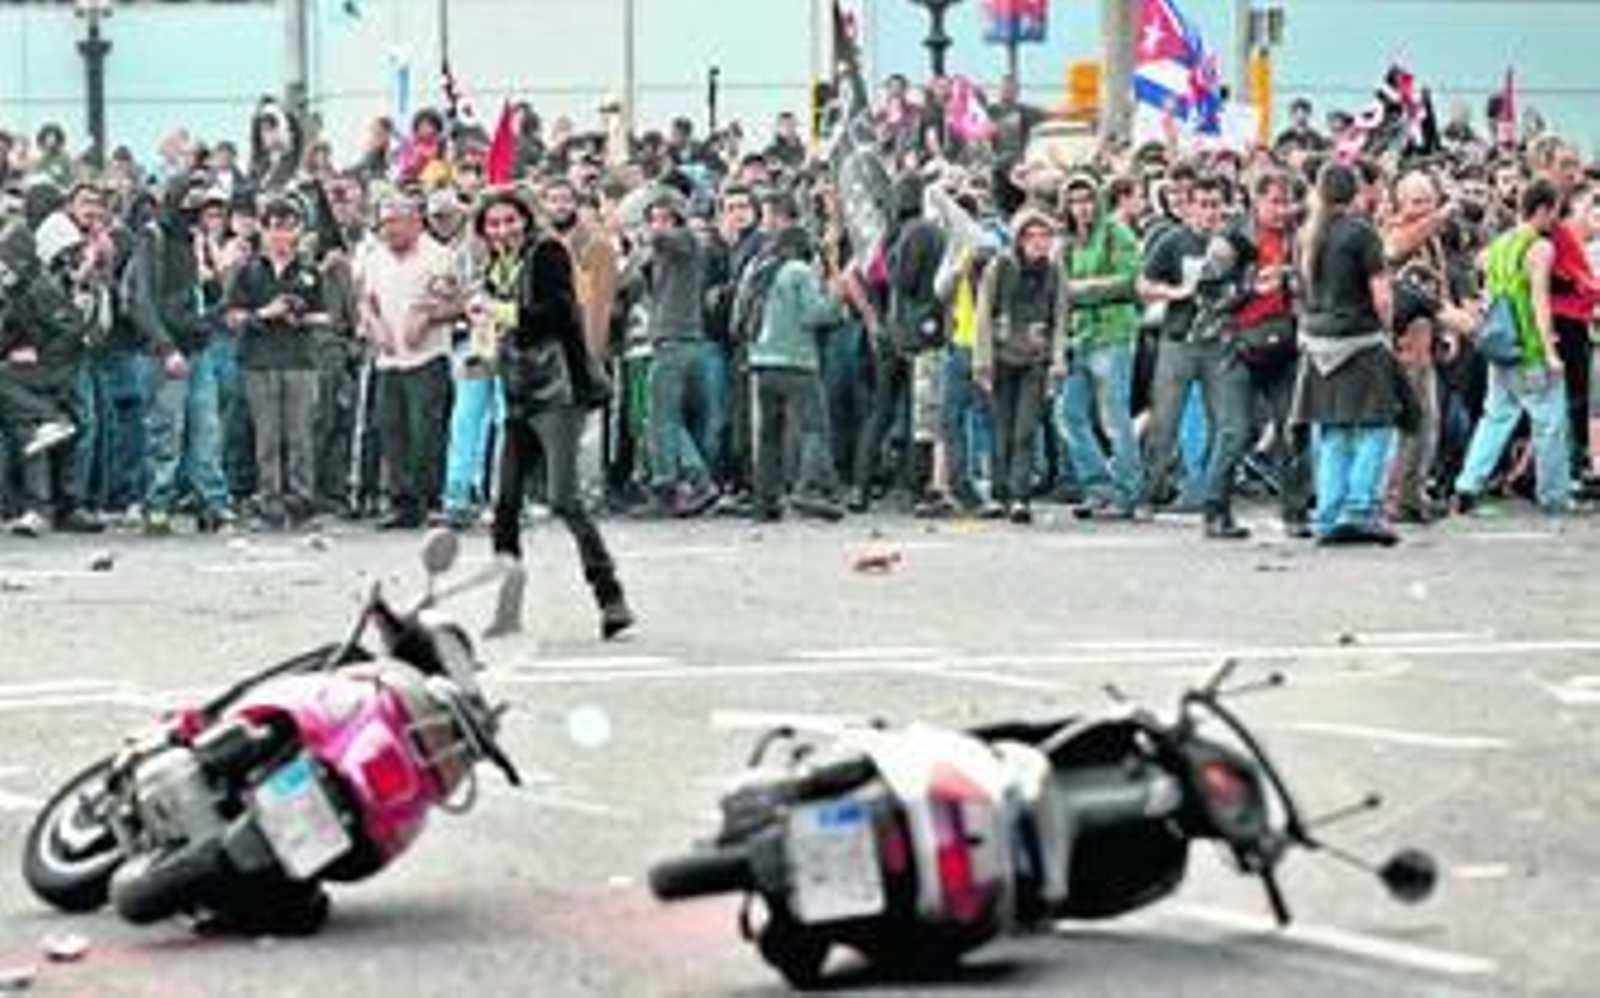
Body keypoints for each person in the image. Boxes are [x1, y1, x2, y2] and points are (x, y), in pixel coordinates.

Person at [475, 187, 635, 642]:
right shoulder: (494, 266)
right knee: (504, 503)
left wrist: (502, 312)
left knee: (564, 497)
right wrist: (484, 328)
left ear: (525, 219)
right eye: (493, 223)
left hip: (558, 389)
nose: (503, 229)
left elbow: (560, 313)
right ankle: (507, 608)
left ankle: (610, 596)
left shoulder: (546, 253)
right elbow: (501, 327)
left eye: (509, 221)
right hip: (519, 393)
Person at [1293, 161, 1404, 546]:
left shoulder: (1306, 234)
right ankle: (1358, 510)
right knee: (1377, 424)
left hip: (1317, 342)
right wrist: (1388, 330)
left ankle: (1327, 517)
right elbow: (1382, 296)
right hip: (1360, 341)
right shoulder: (1361, 232)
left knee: (1333, 429)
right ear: (1356, 191)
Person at [1453, 178, 1575, 514]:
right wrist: (1550, 351)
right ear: (1542, 209)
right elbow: (1539, 301)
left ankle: (1467, 484)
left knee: (1496, 417)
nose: (1556, 220)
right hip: (1529, 348)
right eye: (1554, 213)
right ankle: (1554, 497)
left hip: (1500, 347)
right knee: (1550, 422)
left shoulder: (1497, 245)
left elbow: (1480, 275)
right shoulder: (1539, 248)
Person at [354, 193, 459, 529]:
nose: (388, 231)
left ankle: (429, 500)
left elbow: (458, 304)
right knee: (391, 430)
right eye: (384, 224)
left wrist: (428, 317)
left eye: (395, 223)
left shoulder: (439, 256)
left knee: (425, 431)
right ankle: (401, 503)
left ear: (415, 222)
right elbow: (365, 301)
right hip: (388, 359)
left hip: (428, 357)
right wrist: (374, 325)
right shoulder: (374, 257)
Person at [225, 196, 327, 529]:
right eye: (275, 228)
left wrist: (302, 317)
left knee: (300, 436)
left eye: (288, 228)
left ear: (298, 232)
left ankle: (301, 502)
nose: (282, 236)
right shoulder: (248, 270)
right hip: (259, 361)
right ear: (264, 232)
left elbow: (327, 316)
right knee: (266, 437)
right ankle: (269, 502)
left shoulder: (310, 271)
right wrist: (263, 314)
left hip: (300, 360)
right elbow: (231, 316)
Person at [974, 208, 1068, 524]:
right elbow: (983, 314)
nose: (1039, 242)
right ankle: (1001, 492)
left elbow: (1060, 318)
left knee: (1025, 430)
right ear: (1019, 238)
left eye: (1045, 236)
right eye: (1032, 235)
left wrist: (1058, 360)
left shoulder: (1055, 271)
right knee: (1002, 428)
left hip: (1036, 360)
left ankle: (1019, 497)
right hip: (1001, 357)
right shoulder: (1000, 265)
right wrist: (982, 361)